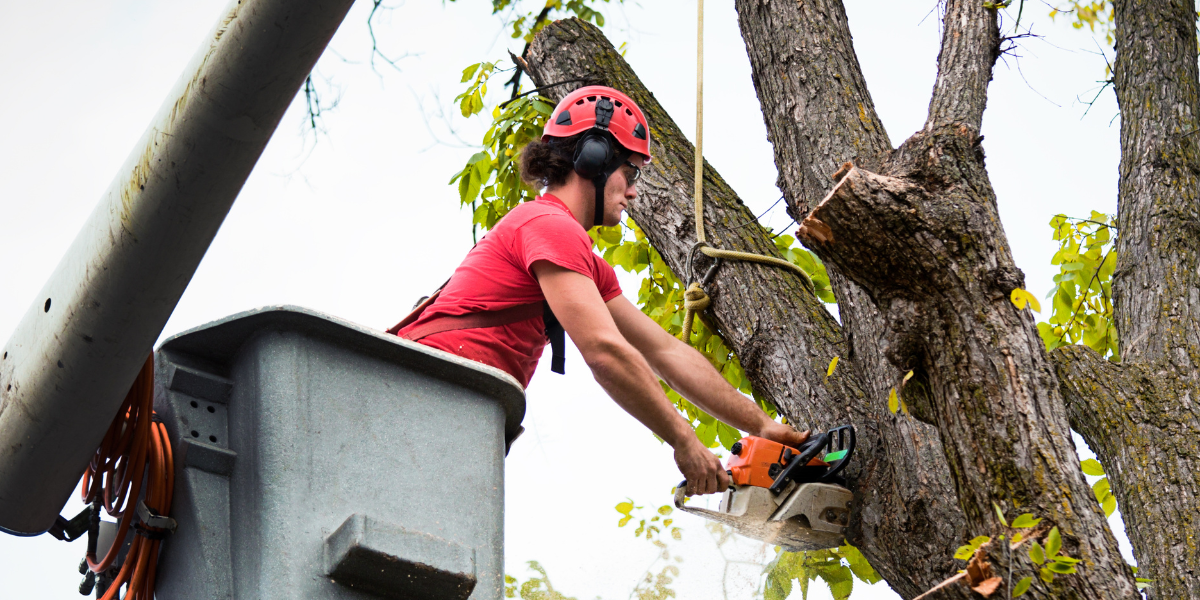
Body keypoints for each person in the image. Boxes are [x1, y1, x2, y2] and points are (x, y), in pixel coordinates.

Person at [396, 86, 808, 496]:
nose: (633, 191)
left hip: (454, 402)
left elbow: (666, 351)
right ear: (592, 158)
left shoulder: (584, 264)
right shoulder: (549, 226)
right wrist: (684, 440)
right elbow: (604, 350)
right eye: (630, 174)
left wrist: (762, 425)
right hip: (419, 392)